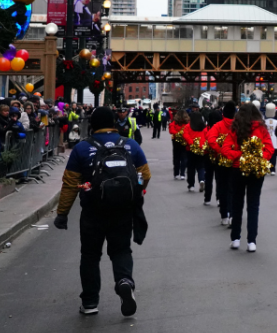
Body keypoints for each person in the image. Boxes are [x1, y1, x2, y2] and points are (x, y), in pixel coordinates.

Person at [53, 107, 149, 316]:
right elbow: (144, 174)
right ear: (114, 123)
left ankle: (89, 302)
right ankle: (124, 281)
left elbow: (70, 184)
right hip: (122, 211)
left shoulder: (82, 149)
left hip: (92, 211)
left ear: (92, 124)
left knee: (89, 255)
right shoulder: (129, 145)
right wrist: (134, 192)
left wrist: (62, 213)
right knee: (121, 251)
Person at [219, 102, 274, 252]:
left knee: (237, 204)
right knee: (253, 205)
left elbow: (225, 149)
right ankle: (252, 241)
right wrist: (259, 158)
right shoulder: (261, 128)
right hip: (256, 170)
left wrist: (239, 155)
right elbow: (269, 147)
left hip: (237, 170)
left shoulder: (235, 128)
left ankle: (235, 238)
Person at [182, 111, 209, 193]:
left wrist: (192, 143)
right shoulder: (204, 127)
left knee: (191, 168)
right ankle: (201, 180)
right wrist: (202, 145)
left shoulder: (188, 126)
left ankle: (191, 185)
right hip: (202, 150)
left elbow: (185, 135)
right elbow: (207, 137)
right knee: (201, 167)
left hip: (190, 150)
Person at [169, 108, 189, 180]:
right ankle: (182, 174)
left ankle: (176, 173)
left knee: (176, 157)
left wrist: (177, 134)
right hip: (185, 140)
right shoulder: (187, 123)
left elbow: (171, 130)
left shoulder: (174, 122)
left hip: (175, 140)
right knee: (184, 157)